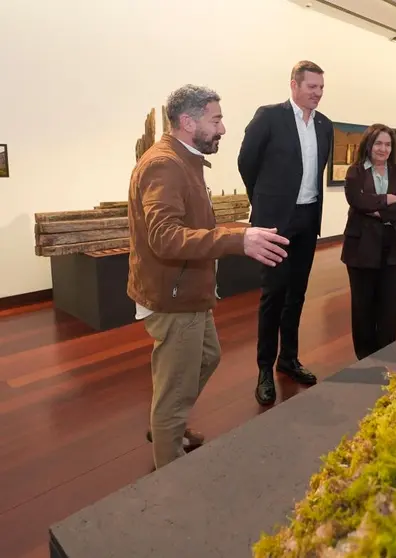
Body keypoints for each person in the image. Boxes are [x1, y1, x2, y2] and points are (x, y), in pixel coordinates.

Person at [127, 84, 290, 469]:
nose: (223, 128)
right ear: (187, 121)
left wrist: (240, 233)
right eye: (215, 119)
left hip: (189, 288)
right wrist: (237, 239)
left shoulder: (185, 159)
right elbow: (165, 237)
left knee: (209, 356)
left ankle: (167, 423)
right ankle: (169, 467)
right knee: (174, 389)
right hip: (173, 295)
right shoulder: (164, 165)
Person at [238, 61, 333, 406]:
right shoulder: (269, 117)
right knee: (273, 294)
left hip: (309, 219)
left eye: (321, 88)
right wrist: (264, 203)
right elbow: (246, 163)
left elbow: (317, 169)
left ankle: (288, 359)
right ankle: (264, 369)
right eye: (312, 87)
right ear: (294, 85)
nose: (317, 94)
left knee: (297, 293)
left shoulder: (324, 125)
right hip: (276, 221)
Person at [341, 124, 396, 360]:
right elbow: (357, 201)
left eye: (388, 144)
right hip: (362, 248)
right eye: (378, 143)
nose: (383, 149)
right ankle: (364, 359)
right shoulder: (355, 171)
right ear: (369, 144)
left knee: (390, 306)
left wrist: (378, 210)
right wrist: (388, 199)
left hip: (394, 246)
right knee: (363, 307)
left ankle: (387, 353)